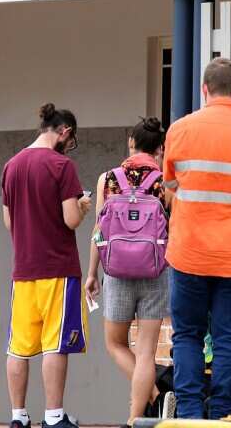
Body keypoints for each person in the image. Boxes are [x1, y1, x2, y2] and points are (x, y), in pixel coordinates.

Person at [162, 57, 231, 420]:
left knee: (187, 335)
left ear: (204, 90)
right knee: (228, 339)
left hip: (189, 252)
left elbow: (170, 186)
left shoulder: (179, 130)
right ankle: (224, 413)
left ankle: (191, 414)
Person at [2, 104, 93, 428]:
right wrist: (82, 206)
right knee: (55, 344)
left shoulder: (11, 166)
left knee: (19, 347)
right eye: (72, 140)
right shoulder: (61, 165)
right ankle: (54, 416)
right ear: (65, 131)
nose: (70, 147)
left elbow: (8, 221)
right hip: (58, 268)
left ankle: (18, 415)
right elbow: (70, 220)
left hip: (23, 270)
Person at [85, 117, 171, 428]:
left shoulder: (108, 179)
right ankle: (136, 418)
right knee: (146, 351)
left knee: (116, 344)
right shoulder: (166, 182)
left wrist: (92, 272)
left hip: (117, 271)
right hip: (155, 271)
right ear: (160, 148)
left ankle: (157, 396)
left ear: (130, 144)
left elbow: (99, 231)